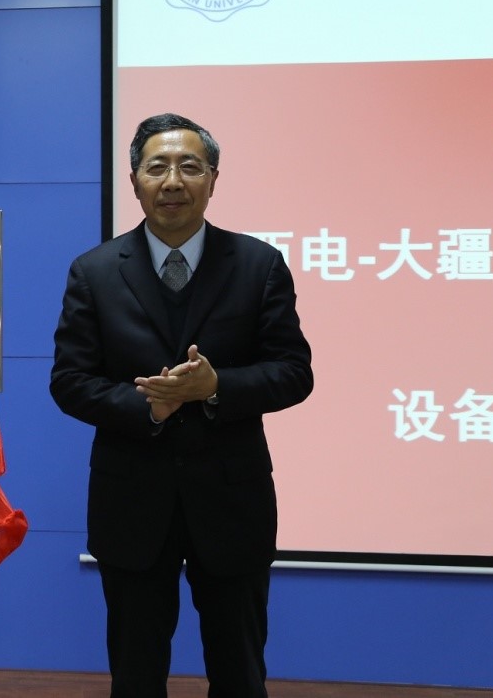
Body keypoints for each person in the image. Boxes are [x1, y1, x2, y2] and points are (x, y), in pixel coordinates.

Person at [50, 113, 313, 698]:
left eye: (190, 167)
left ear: (214, 178)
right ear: (135, 180)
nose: (173, 181)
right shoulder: (94, 272)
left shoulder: (258, 265)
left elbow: (294, 372)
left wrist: (215, 388)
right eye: (157, 167)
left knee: (240, 674)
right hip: (131, 505)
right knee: (136, 676)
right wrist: (149, 406)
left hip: (232, 504)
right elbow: (69, 381)